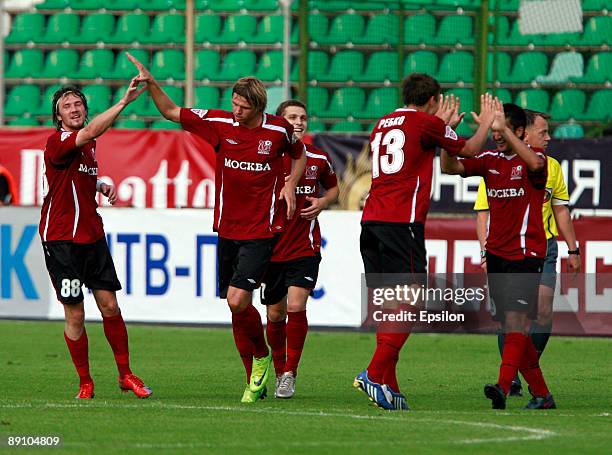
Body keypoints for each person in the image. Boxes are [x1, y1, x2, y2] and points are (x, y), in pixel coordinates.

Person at [127, 54, 307, 403]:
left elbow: (298, 155)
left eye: (243, 107)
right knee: (234, 306)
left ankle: (262, 356)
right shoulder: (219, 123)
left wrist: (289, 185)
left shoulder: (278, 130)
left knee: (238, 299)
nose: (236, 110)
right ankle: (255, 368)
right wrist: (152, 83)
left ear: (258, 107)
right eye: (234, 104)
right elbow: (171, 112)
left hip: (261, 230)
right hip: (227, 229)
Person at [354, 73, 497, 410]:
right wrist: (485, 124)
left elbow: (430, 152)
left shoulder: (383, 122)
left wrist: (438, 127)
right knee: (412, 301)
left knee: (391, 306)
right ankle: (374, 373)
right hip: (401, 222)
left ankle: (389, 386)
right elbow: (470, 149)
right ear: (433, 100)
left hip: (371, 219)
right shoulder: (425, 122)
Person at [40, 82, 152, 399]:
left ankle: (125, 375)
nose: (74, 108)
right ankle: (85, 382)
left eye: (78, 104)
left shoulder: (86, 149)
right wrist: (124, 101)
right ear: (58, 117)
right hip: (62, 241)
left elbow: (77, 171)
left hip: (92, 238)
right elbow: (88, 134)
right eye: (67, 106)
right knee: (75, 313)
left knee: (110, 306)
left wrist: (99, 183)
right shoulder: (57, 141)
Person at [442, 102, 556, 410]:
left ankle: (503, 387)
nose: (496, 136)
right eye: (493, 131)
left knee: (515, 321)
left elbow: (533, 164)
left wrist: (503, 126)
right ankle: (543, 395)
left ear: (518, 131)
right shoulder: (489, 161)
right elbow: (449, 167)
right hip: (497, 255)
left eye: (501, 130)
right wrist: (445, 133)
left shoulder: (537, 160)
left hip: (525, 253)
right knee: (510, 325)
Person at [474, 109, 581, 396]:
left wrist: (574, 248)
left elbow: (560, 208)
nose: (548, 137)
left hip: (541, 247)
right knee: (512, 318)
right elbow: (484, 212)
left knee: (540, 312)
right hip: (504, 248)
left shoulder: (548, 165)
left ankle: (513, 377)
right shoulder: (496, 164)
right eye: (543, 132)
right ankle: (524, 383)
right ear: (525, 132)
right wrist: (484, 252)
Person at [260, 100, 339, 400]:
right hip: (270, 248)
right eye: (292, 116)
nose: (299, 121)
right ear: (278, 121)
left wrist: (323, 201)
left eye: (303, 117)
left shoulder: (318, 158)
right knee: (276, 314)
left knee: (296, 307)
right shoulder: (267, 158)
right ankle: (279, 369)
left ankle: (290, 373)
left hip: (305, 247)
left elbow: (333, 188)